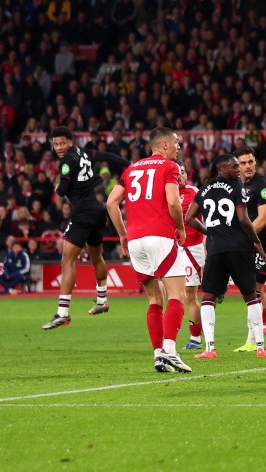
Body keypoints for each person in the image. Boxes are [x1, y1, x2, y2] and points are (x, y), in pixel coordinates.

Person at [105, 127, 193, 373]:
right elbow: (174, 202)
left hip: (135, 241)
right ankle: (170, 351)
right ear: (163, 145)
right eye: (176, 143)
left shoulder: (131, 168)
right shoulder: (169, 167)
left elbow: (111, 203)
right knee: (178, 295)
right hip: (161, 238)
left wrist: (123, 234)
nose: (178, 147)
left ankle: (158, 354)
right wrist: (181, 227)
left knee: (155, 298)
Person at [43, 126, 129, 330]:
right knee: (96, 257)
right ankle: (102, 300)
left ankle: (63, 312)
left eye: (62, 142)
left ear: (70, 141)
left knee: (67, 259)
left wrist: (57, 184)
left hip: (83, 213)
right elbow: (108, 156)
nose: (59, 147)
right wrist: (129, 166)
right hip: (98, 210)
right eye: (55, 144)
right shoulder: (84, 152)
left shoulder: (68, 161)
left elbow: (62, 189)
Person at [184, 155, 266, 360]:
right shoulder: (237, 186)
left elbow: (188, 218)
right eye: (234, 165)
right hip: (239, 248)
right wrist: (256, 241)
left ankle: (209, 348)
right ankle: (260, 347)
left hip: (215, 250)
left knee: (208, 297)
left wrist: (210, 232)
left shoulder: (204, 189)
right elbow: (243, 218)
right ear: (222, 169)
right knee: (250, 295)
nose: (238, 168)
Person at [233, 146, 266, 351]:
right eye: (243, 163)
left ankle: (253, 340)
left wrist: (241, 238)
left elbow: (262, 219)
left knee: (253, 290)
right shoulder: (234, 185)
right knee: (251, 290)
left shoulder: (263, 185)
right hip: (249, 245)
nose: (247, 166)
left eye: (250, 162)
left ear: (256, 162)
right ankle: (253, 338)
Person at [178, 162, 206, 351]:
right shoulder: (166, 191)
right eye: (177, 173)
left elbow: (207, 215)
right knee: (172, 294)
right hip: (171, 247)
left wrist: (207, 241)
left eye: (182, 173)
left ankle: (195, 338)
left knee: (190, 293)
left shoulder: (194, 192)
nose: (179, 176)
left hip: (192, 247)